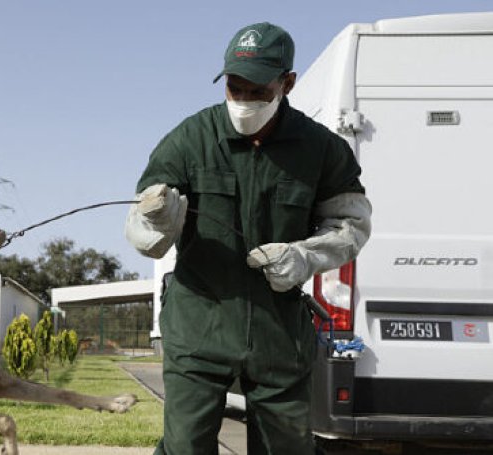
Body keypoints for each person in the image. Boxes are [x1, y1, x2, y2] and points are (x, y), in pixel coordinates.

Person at [125, 23, 372, 455]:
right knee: (185, 447)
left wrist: (305, 255)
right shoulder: (189, 140)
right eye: (235, 86)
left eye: (256, 89)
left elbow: (352, 226)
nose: (243, 98)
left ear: (286, 83)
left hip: (280, 335)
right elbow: (140, 229)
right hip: (197, 325)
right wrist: (157, 221)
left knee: (288, 449)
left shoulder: (322, 150)